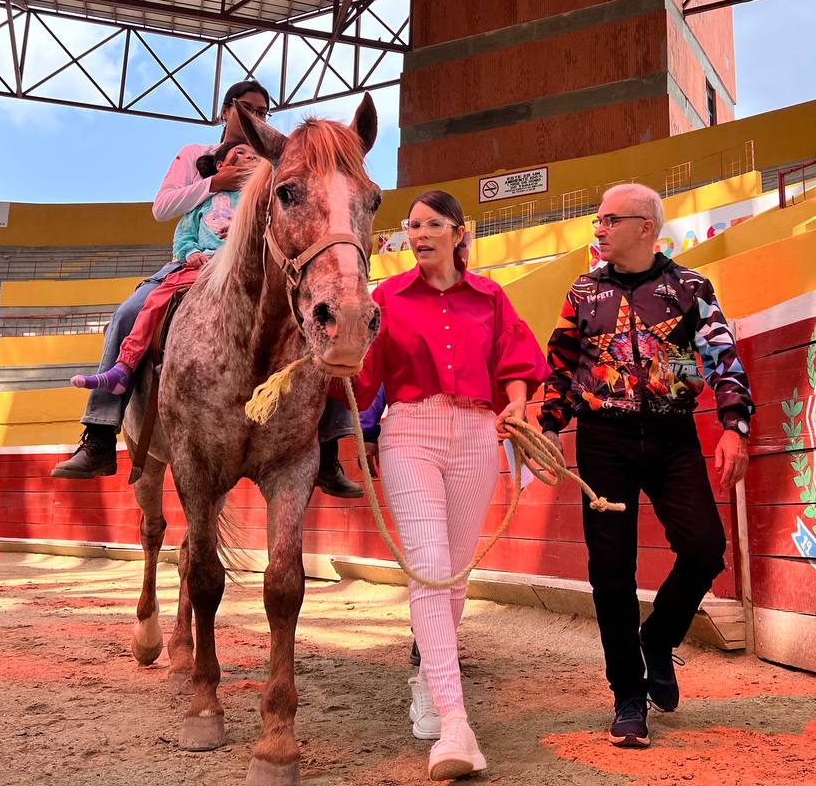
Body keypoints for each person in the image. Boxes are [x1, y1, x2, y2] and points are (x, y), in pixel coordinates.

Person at [52, 81, 363, 498]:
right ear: (224, 110)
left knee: (321, 322)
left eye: (263, 111)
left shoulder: (280, 155)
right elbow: (163, 208)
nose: (256, 117)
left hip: (261, 271)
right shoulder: (194, 156)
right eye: (247, 107)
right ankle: (100, 433)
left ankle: (328, 445)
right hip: (195, 264)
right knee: (129, 312)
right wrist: (217, 183)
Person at [335, 190, 547, 781]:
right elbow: (364, 375)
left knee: (454, 572)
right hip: (411, 431)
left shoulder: (492, 298)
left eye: (432, 224)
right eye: (412, 226)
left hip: (480, 433)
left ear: (459, 232)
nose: (420, 234)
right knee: (429, 565)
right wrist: (336, 354)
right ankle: (455, 722)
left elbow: (515, 362)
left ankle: (430, 681)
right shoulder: (386, 297)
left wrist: (517, 408)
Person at [538, 183, 753, 749]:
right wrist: (546, 428)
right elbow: (560, 367)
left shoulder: (689, 288)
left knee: (705, 548)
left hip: (672, 435)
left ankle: (657, 637)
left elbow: (722, 356)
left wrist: (734, 427)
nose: (598, 229)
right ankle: (628, 696)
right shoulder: (583, 292)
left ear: (645, 228)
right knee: (611, 570)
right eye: (598, 219)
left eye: (609, 219)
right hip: (603, 439)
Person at [69, 141, 258, 395]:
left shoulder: (263, 198)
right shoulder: (203, 200)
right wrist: (191, 253)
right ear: (220, 165)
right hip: (204, 265)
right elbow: (184, 236)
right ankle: (124, 366)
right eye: (241, 153)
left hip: (247, 264)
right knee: (157, 298)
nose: (249, 157)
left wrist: (246, 232)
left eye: (255, 156)